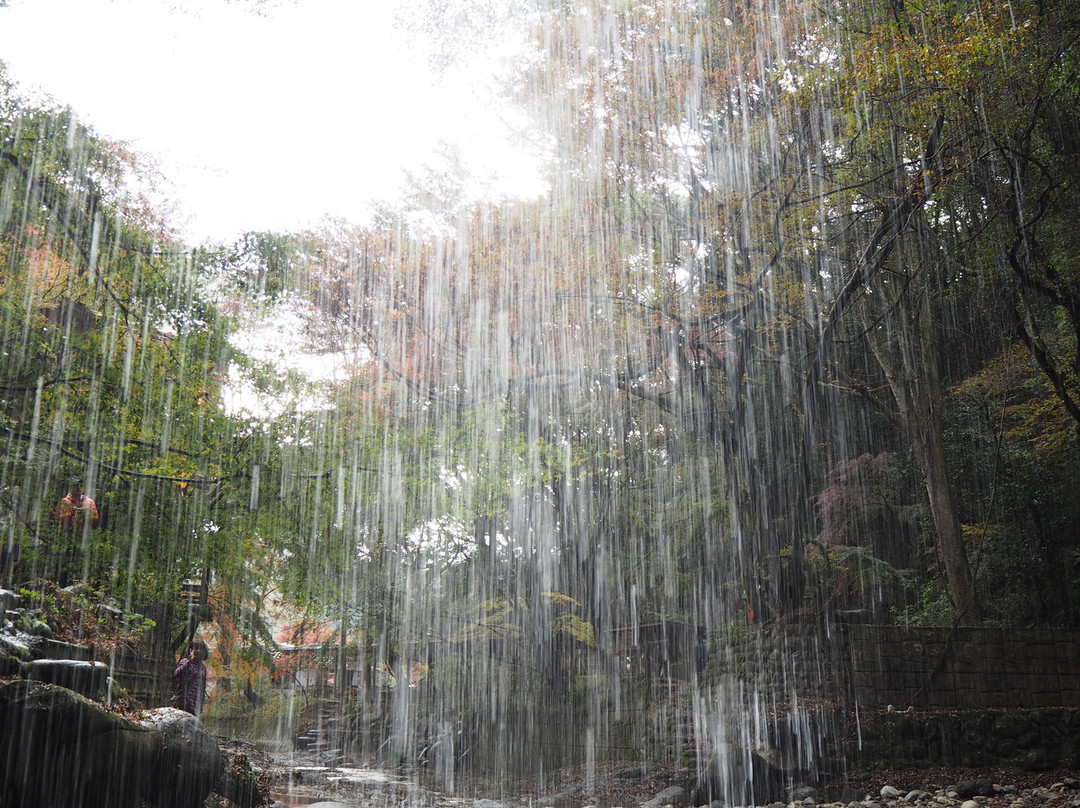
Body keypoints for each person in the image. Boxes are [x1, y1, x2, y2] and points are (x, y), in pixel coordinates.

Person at [54, 479, 99, 585]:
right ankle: (62, 582)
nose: (78, 491)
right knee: (66, 560)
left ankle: (81, 581)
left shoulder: (89, 502)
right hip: (67, 536)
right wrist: (70, 513)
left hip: (83, 537)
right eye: (75, 489)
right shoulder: (65, 501)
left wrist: (85, 515)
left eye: (79, 488)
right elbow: (59, 516)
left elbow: (95, 517)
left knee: (81, 559)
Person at [173, 640, 209, 716]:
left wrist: (201, 704)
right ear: (191, 650)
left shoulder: (203, 668)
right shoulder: (184, 661)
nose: (198, 651)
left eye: (200, 649)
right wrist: (189, 661)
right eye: (196, 648)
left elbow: (202, 687)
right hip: (184, 700)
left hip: (196, 702)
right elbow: (177, 673)